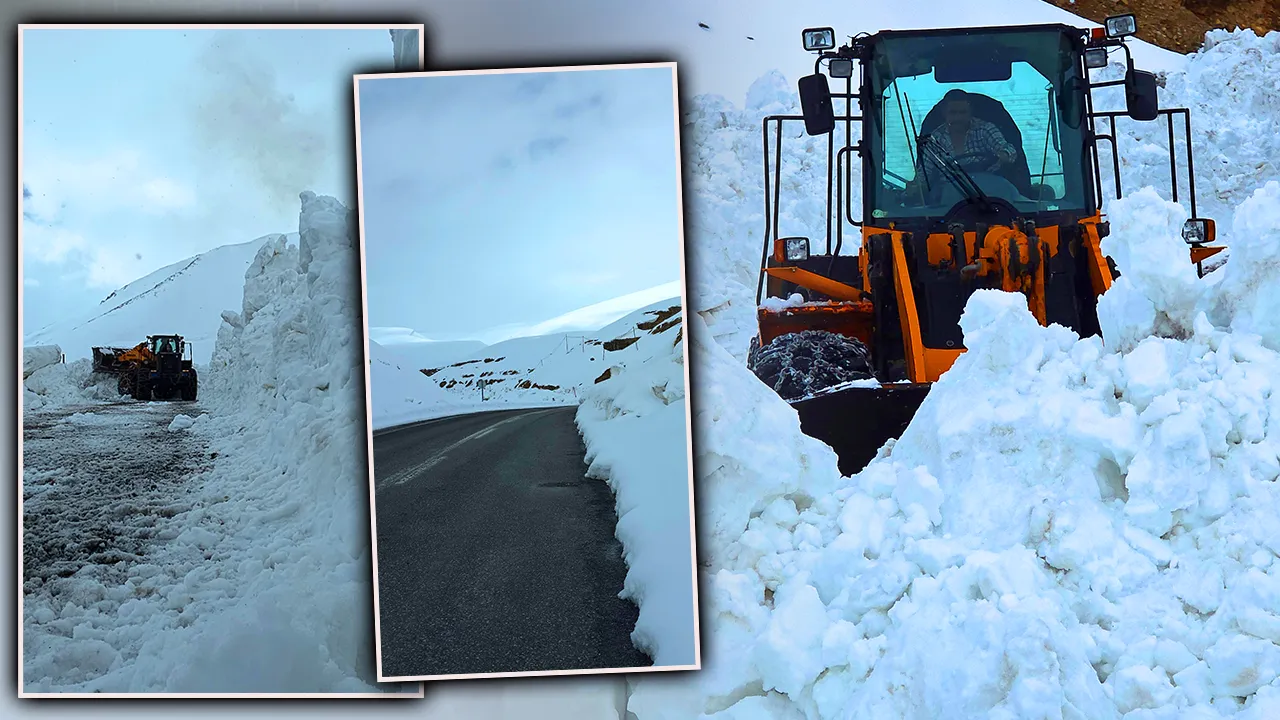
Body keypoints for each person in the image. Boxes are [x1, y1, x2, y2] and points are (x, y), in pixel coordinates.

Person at [906, 90, 1018, 198]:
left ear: (970, 113)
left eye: (963, 112)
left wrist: (1003, 155)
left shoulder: (985, 129)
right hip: (951, 197)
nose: (958, 117)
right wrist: (916, 187)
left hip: (992, 192)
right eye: (953, 113)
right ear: (944, 114)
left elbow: (1008, 149)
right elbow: (924, 175)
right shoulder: (934, 140)